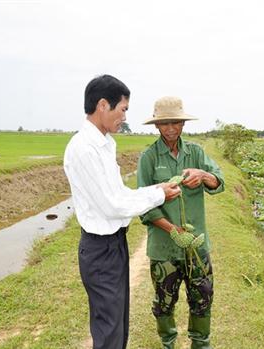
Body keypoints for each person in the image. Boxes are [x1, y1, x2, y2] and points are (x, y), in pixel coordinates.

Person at [63, 75, 181, 349]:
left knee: (118, 322)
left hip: (114, 244)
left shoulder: (105, 145)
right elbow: (113, 205)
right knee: (109, 328)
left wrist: (157, 189)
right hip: (100, 249)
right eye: (123, 109)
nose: (124, 117)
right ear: (103, 105)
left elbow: (120, 195)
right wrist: (159, 194)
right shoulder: (84, 149)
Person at [137, 96, 225, 349]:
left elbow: (219, 183)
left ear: (183, 123)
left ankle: (200, 344)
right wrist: (172, 229)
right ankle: (168, 343)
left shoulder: (196, 153)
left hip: (197, 247)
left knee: (203, 298)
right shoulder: (149, 157)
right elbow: (144, 205)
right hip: (164, 249)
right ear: (157, 126)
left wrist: (203, 175)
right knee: (164, 301)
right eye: (165, 123)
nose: (171, 128)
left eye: (175, 122)